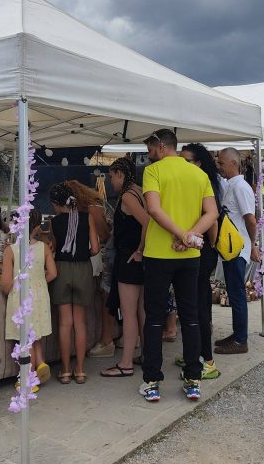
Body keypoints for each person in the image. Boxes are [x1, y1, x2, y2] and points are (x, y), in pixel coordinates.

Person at [139, 129, 218, 402]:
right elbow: (212, 213)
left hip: (160, 254)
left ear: (161, 147)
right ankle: (193, 378)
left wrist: (181, 235)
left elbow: (153, 209)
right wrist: (191, 236)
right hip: (189, 257)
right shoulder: (199, 174)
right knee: (191, 317)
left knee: (154, 318)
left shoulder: (153, 172)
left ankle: (152, 380)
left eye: (150, 150)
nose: (149, 156)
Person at [178, 143, 223, 379]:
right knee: (191, 306)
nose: (181, 165)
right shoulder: (194, 183)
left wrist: (210, 246)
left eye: (186, 161)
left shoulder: (206, 185)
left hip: (201, 251)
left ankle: (207, 360)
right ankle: (193, 354)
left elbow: (213, 221)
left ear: (199, 164)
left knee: (200, 307)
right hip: (194, 248)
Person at [101, 158, 148, 378]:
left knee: (129, 314)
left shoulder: (128, 196)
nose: (110, 181)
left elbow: (147, 221)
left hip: (130, 258)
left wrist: (139, 249)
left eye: (111, 176)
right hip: (138, 259)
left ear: (120, 173)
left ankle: (126, 363)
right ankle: (146, 355)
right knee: (141, 311)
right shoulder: (139, 191)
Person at [48, 183, 100, 384]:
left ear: (55, 203)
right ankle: (80, 371)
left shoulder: (54, 222)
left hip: (61, 269)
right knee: (80, 322)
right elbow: (95, 248)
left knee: (64, 322)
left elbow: (53, 247)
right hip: (82, 269)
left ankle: (66, 371)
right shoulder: (87, 218)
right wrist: (83, 253)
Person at [1, 208, 57, 392]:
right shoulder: (43, 247)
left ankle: (28, 378)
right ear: (36, 226)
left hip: (21, 297)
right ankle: (40, 362)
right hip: (40, 296)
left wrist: (12, 290)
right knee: (35, 334)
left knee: (24, 338)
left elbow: (6, 283)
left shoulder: (11, 251)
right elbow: (53, 273)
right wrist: (38, 283)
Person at [215, 147, 260, 353]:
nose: (219, 166)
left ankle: (241, 340)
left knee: (237, 294)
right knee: (234, 293)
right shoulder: (231, 185)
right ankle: (237, 334)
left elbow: (250, 219)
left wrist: (253, 245)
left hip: (237, 249)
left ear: (233, 163)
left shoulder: (241, 187)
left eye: (222, 163)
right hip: (231, 248)